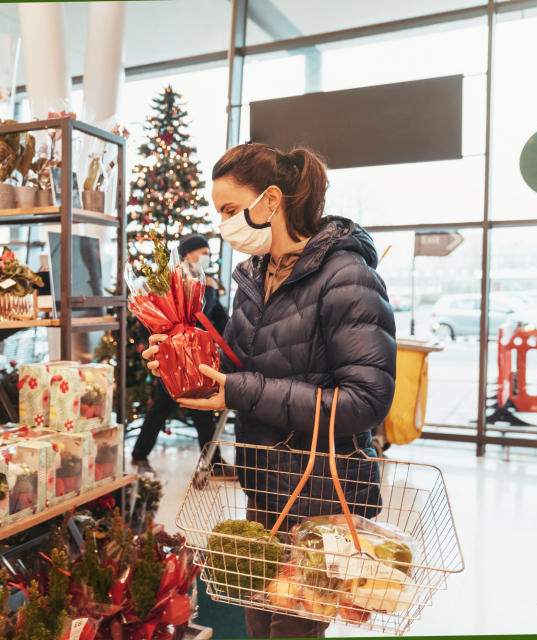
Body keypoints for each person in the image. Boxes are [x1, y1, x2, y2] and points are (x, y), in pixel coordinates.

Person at [143, 143, 397, 639]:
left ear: (272, 201)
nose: (223, 224)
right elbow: (243, 367)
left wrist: (241, 390)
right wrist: (179, 359)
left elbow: (366, 401)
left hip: (323, 495)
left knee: (293, 630)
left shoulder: (347, 276)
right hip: (266, 485)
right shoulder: (254, 280)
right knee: (259, 622)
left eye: (231, 210)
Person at [130, 233, 232, 475]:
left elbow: (220, 322)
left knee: (202, 411)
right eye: (203, 253)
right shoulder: (175, 283)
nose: (208, 258)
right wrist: (209, 291)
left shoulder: (204, 284)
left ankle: (214, 462)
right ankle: (139, 455)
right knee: (160, 408)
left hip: (198, 358)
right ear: (187, 254)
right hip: (174, 358)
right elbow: (195, 313)